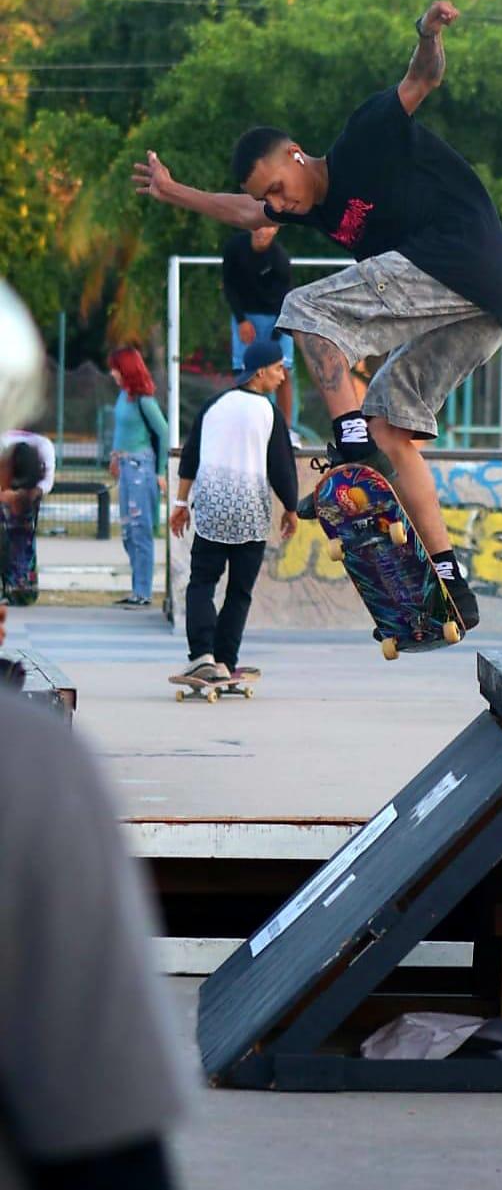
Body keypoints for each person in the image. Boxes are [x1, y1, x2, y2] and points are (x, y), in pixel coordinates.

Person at [133, 0, 502, 632]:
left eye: (278, 188)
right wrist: (175, 192)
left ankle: (351, 449)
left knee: (304, 307)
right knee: (395, 428)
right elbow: (243, 212)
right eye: (270, 200)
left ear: (296, 156)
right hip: (485, 311)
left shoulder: (364, 136)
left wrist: (425, 32)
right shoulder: (299, 207)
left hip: (461, 262)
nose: (277, 205)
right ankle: (452, 585)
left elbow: (421, 80)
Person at [0, 281, 186, 1190]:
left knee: (145, 539)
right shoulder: (26, 766)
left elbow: (150, 441)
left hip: (147, 482)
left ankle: (148, 580)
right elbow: (108, 1155)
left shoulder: (142, 402)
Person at [170, 340, 298, 683]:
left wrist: (181, 505)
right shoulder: (270, 413)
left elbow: (190, 456)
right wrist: (291, 509)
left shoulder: (214, 405)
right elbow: (282, 467)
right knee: (239, 591)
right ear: (260, 372)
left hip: (213, 511)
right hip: (250, 514)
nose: (282, 376)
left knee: (202, 583)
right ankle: (225, 660)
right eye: (277, 368)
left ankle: (202, 656)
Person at [222, 224, 299, 441]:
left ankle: (286, 430)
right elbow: (229, 286)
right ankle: (242, 425)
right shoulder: (234, 248)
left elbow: (286, 296)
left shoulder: (280, 258)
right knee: (243, 371)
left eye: (268, 227)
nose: (262, 231)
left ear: (275, 230)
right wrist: (241, 320)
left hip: (279, 316)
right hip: (246, 317)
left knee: (284, 371)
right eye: (258, 225)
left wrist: (277, 332)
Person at [108, 346, 169, 607]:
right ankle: (137, 588)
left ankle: (143, 591)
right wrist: (114, 456)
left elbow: (164, 432)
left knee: (141, 529)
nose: (112, 373)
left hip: (141, 469)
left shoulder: (145, 400)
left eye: (116, 368)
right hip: (125, 467)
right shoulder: (125, 396)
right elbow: (121, 429)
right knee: (128, 531)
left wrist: (161, 471)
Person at [0, 428, 55, 604]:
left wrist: (26, 495)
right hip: (8, 493)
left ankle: (22, 588)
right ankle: (12, 585)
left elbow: (47, 482)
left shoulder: (43, 445)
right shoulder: (4, 443)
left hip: (28, 495)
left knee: (22, 540)